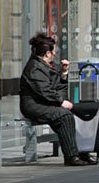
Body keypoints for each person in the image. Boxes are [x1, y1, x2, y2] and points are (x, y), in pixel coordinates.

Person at [20, 32, 93, 166]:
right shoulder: (35, 68)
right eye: (53, 52)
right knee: (64, 116)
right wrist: (60, 102)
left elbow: (56, 88)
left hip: (45, 103)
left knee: (75, 113)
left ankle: (82, 152)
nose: (54, 55)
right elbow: (45, 91)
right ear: (47, 53)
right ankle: (71, 156)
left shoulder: (45, 66)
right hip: (34, 105)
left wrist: (64, 74)